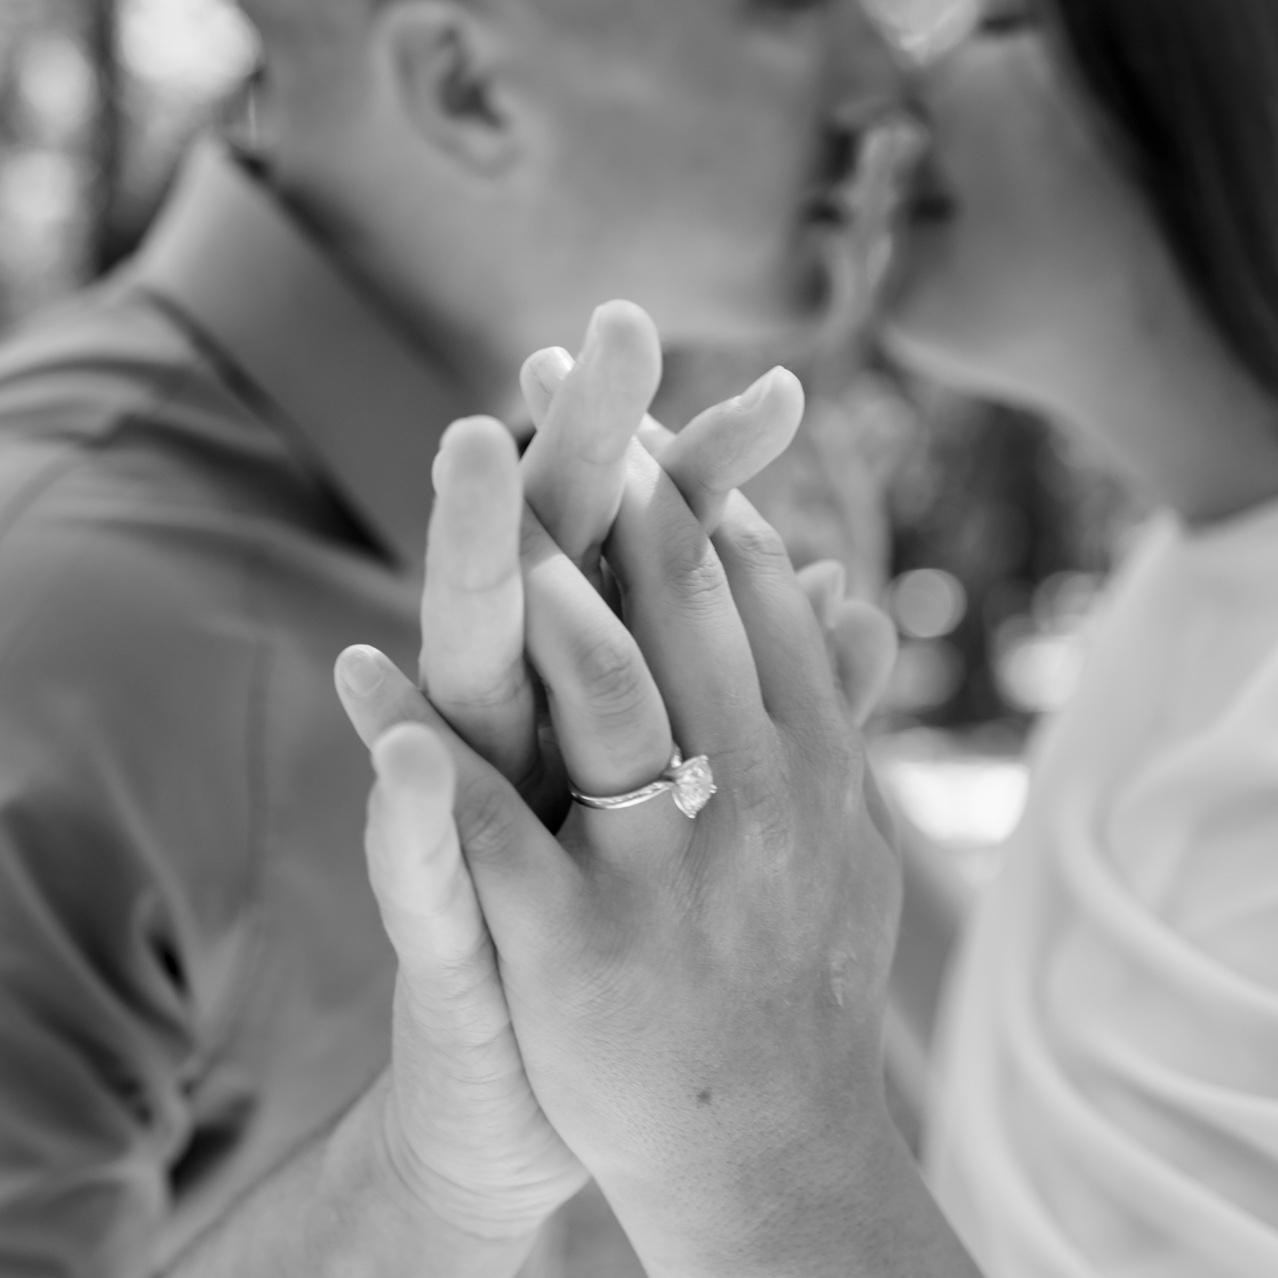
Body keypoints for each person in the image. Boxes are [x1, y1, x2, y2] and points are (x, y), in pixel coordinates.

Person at [334, 0, 1278, 1275]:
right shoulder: (1191, 569)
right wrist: (771, 775)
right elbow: (1071, 1076)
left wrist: (748, 1134)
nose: (908, 71)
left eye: (1010, 17)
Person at [0, 1, 906, 1274]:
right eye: (782, 6)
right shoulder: (49, 616)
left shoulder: (653, 553)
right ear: (467, 80)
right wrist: (424, 1186)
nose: (884, 69)